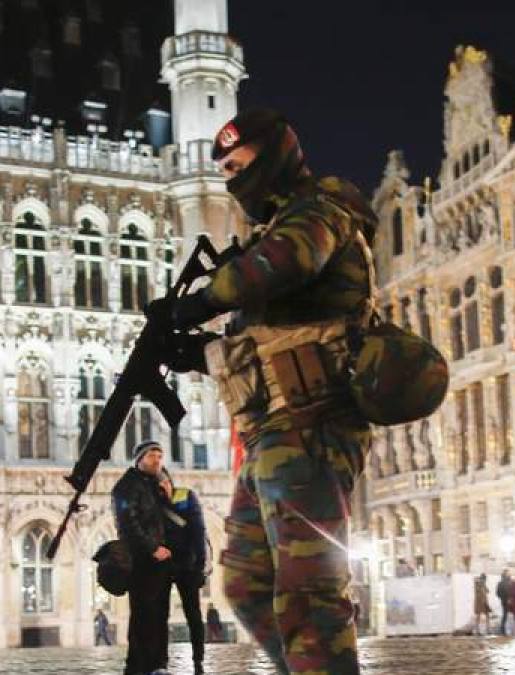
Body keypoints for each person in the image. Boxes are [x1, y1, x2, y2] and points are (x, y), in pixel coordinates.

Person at [147, 108, 378, 675]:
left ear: (275, 156)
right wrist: (196, 354)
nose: (231, 179)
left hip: (312, 427)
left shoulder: (319, 213)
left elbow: (283, 263)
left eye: (239, 164)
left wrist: (200, 301)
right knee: (247, 579)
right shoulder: (270, 236)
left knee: (308, 593)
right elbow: (264, 349)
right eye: (223, 169)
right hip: (270, 434)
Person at [112, 441, 173, 675]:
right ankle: (139, 667)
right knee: (143, 614)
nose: (157, 460)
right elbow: (127, 523)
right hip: (142, 560)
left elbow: (164, 520)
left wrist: (167, 497)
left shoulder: (154, 486)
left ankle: (159, 664)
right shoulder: (127, 486)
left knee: (160, 613)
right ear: (139, 459)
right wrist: (152, 549)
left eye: (160, 455)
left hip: (160, 561)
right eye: (152, 456)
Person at [160, 469, 209, 675]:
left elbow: (199, 531)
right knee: (160, 615)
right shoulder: (152, 502)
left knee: (193, 614)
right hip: (162, 565)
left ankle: (198, 659)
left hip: (187, 565)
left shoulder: (186, 495)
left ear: (169, 481)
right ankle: (160, 661)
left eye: (163, 482)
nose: (161, 487)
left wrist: (200, 565)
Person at [495, 570, 512, 635]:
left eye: (508, 573)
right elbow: (498, 593)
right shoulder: (500, 583)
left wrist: (511, 598)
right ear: (504, 575)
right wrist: (504, 598)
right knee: (505, 615)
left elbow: (514, 591)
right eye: (506, 573)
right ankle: (503, 630)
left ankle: (513, 629)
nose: (508, 574)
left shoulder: (511, 582)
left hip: (512, 601)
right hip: (505, 601)